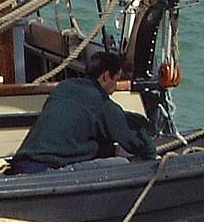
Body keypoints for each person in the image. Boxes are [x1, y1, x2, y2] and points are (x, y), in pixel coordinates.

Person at [10, 52, 157, 172]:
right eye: (117, 79)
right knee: (121, 163)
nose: (116, 86)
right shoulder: (102, 103)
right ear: (106, 76)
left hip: (22, 162)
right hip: (48, 170)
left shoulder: (64, 87)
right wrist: (152, 156)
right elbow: (137, 142)